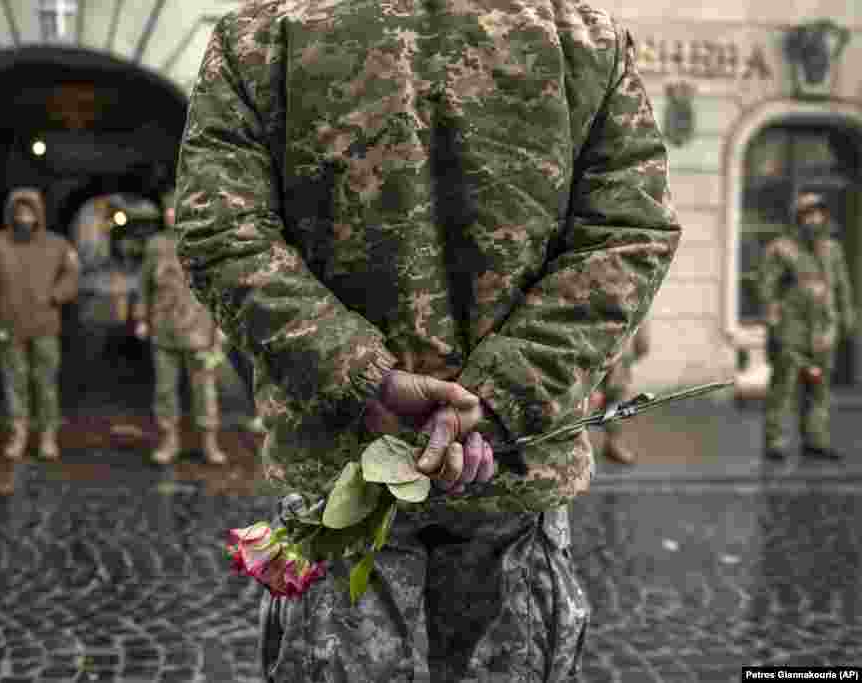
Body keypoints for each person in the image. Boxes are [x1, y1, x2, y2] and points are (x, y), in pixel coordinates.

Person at [175, 1, 681, 680]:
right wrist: (494, 396)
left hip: (341, 472)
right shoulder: (579, 36)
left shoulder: (265, 34)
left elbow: (222, 234)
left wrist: (364, 378)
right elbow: (629, 233)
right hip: (507, 468)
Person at [0, 188, 80, 461]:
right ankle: (18, 433)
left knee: (45, 383)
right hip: (8, 325)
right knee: (14, 382)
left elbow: (73, 274)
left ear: (39, 214)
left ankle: (47, 436)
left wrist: (57, 295)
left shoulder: (57, 245)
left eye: (29, 211)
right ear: (10, 213)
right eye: (19, 211)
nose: (24, 216)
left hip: (45, 324)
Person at [132, 192, 229, 466]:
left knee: (205, 391)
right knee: (165, 390)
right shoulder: (156, 245)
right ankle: (168, 440)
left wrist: (220, 327)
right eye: (167, 210)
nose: (171, 215)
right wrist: (141, 318)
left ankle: (210, 442)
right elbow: (143, 285)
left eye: (176, 210)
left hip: (200, 330)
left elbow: (219, 288)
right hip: (163, 329)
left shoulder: (206, 242)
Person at [758, 190, 855, 461]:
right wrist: (773, 323)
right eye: (808, 214)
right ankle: (775, 440)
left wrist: (847, 317)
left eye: (818, 213)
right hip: (792, 329)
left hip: (824, 329)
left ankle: (815, 439)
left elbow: (842, 286)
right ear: (798, 218)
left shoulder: (832, 249)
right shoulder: (782, 249)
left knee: (819, 389)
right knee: (784, 387)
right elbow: (767, 289)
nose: (814, 219)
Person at [590, 323, 651, 464]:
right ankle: (578, 443)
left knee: (614, 398)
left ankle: (613, 443)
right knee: (594, 397)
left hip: (617, 350)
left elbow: (643, 342)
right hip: (603, 347)